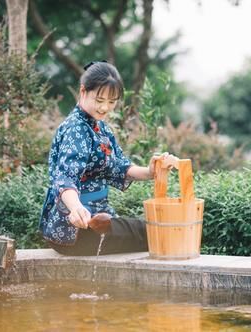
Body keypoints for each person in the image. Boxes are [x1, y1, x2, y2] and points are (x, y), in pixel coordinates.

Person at [40, 61, 169, 256]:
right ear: (83, 91)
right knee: (154, 233)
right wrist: (75, 209)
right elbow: (65, 178)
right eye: (99, 100)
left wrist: (151, 172)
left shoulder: (100, 128)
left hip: (99, 220)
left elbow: (119, 166)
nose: (105, 107)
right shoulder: (76, 129)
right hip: (77, 228)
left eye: (112, 101)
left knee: (152, 230)